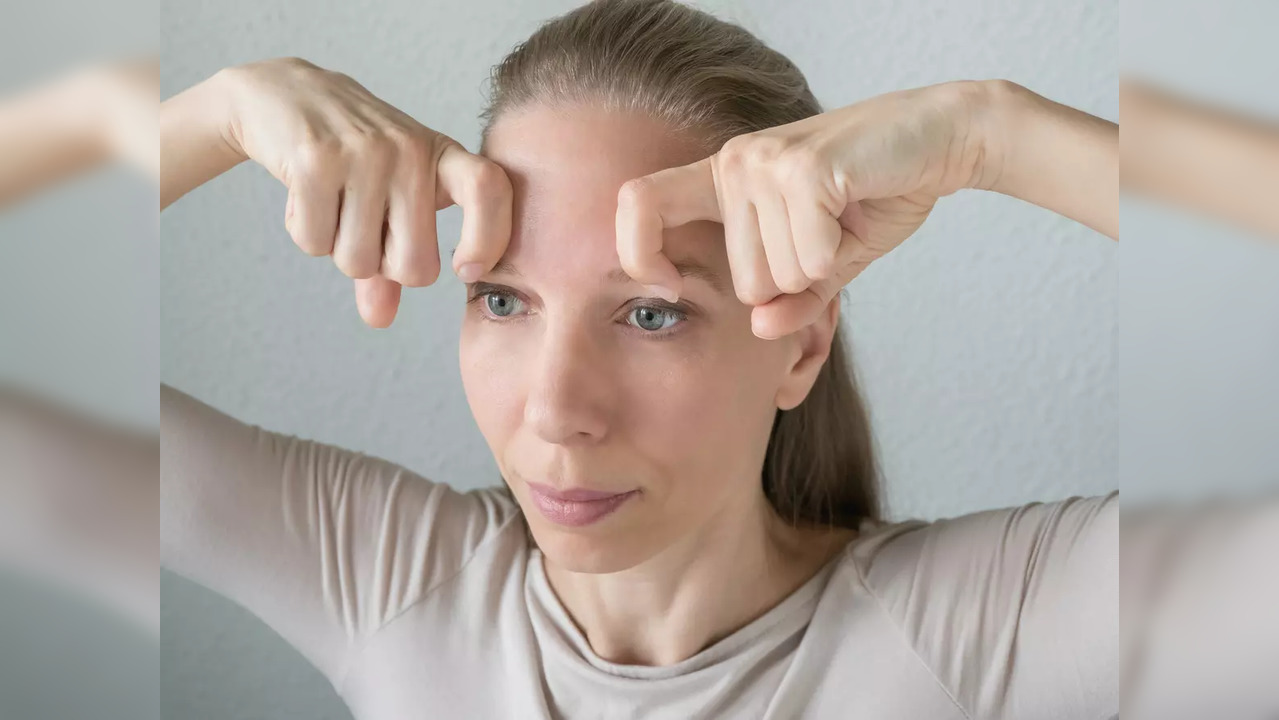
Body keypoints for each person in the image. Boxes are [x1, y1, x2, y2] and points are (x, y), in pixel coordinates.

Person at [158, 1, 1126, 718]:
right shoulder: (389, 581)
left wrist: (989, 132)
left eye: (651, 314)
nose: (554, 410)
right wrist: (220, 112)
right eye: (503, 299)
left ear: (802, 346)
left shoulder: (980, 635)